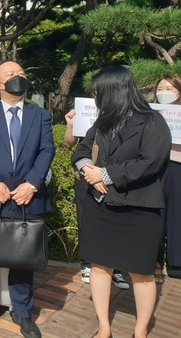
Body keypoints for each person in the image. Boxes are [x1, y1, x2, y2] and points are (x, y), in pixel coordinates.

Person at [72, 66, 171, 338]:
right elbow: (81, 150)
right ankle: (104, 326)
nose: (95, 98)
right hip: (101, 206)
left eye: (98, 92)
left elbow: (150, 162)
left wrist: (104, 173)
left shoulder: (152, 121)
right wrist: (86, 170)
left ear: (113, 90)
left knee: (140, 272)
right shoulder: (103, 121)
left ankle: (140, 330)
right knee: (100, 266)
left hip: (140, 208)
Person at [0, 60, 54, 338]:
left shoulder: (40, 115)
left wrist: (32, 184)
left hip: (25, 196)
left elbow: (46, 151)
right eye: (11, 73)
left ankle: (23, 311)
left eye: (21, 72)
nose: (18, 76)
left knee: (22, 255)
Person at [65, 109, 130, 290]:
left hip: (117, 180)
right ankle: (88, 265)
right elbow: (74, 147)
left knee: (117, 226)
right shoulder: (88, 114)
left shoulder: (134, 118)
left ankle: (116, 268)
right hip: (88, 179)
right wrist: (71, 125)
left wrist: (106, 176)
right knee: (87, 222)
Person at [153, 76, 181, 281]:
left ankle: (176, 262)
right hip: (154, 168)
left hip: (178, 167)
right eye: (160, 88)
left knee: (176, 215)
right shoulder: (149, 112)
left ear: (179, 91)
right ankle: (154, 261)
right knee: (155, 214)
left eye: (169, 88)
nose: (163, 91)